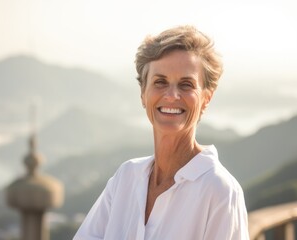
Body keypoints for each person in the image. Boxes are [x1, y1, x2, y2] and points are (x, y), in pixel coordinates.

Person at [73, 25, 249, 240]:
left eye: (186, 84)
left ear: (206, 99)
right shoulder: (126, 177)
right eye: (160, 82)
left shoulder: (220, 191)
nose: (172, 95)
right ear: (143, 94)